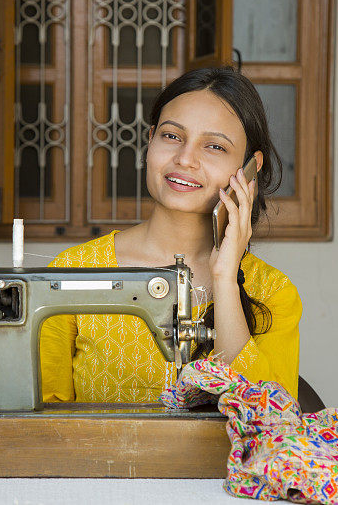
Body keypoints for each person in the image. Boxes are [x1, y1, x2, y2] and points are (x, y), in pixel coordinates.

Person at [40, 66, 302, 403]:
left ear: (250, 168)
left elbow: (267, 423)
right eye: (172, 136)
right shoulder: (74, 272)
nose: (185, 159)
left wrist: (224, 280)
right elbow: (42, 424)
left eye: (215, 147)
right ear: (150, 142)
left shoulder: (273, 293)